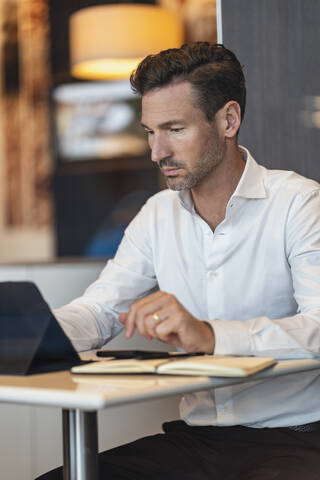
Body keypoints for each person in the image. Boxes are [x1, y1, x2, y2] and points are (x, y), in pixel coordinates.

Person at [39, 42, 320, 479]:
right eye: (151, 132)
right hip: (197, 439)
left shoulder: (299, 203)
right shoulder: (156, 214)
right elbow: (100, 311)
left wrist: (208, 335)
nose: (156, 151)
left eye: (174, 129)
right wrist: (32, 335)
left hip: (294, 437)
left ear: (228, 120)